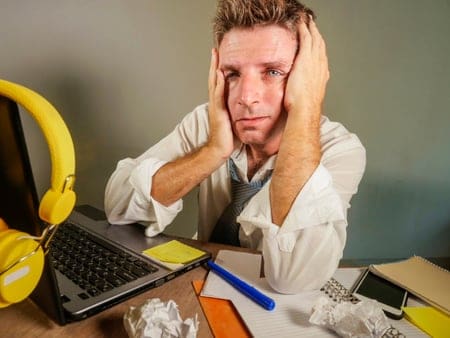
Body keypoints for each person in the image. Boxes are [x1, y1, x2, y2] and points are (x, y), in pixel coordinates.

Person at [105, 0, 366, 294]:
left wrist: (306, 107)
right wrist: (214, 151)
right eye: (233, 74)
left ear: (309, 76)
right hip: (199, 283)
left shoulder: (340, 150)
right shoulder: (208, 122)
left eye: (273, 72)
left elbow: (293, 278)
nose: (246, 97)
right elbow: (118, 208)